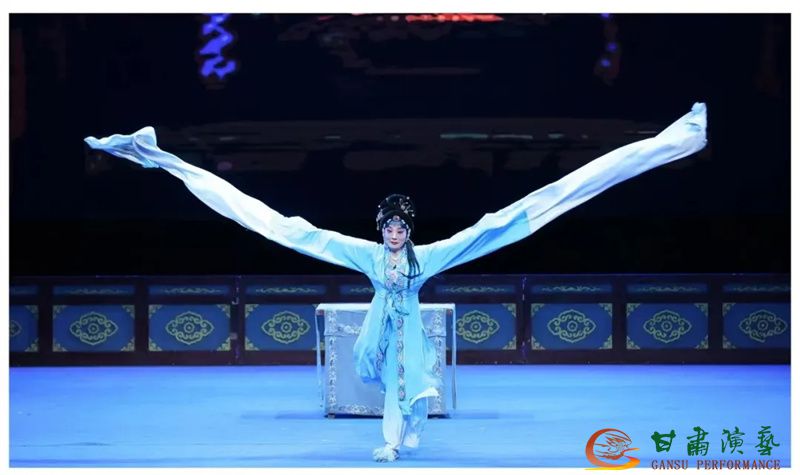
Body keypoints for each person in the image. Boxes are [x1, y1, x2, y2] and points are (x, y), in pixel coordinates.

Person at [84, 102, 708, 462]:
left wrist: (502, 221)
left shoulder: (425, 258)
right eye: (388, 226)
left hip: (406, 324)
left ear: (409, 230)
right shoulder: (364, 254)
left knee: (412, 373)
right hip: (379, 322)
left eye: (400, 227)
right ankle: (159, 157)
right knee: (282, 232)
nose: (393, 233)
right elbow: (300, 232)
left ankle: (394, 442)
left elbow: (488, 231)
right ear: (379, 229)